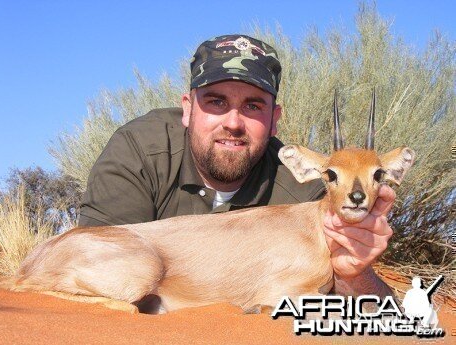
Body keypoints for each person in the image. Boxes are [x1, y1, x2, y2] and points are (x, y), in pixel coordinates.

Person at [78, 34, 395, 297]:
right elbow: (93, 268)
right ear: (187, 109)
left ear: (274, 121)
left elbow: (354, 308)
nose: (233, 123)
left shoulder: (309, 191)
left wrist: (354, 273)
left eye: (253, 106)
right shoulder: (140, 151)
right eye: (216, 101)